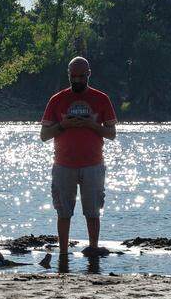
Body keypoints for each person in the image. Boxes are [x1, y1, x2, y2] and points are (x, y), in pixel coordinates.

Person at [39, 57, 117, 255]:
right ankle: (63, 253)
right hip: (63, 165)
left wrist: (91, 125)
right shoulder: (56, 100)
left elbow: (112, 134)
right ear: (68, 75)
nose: (77, 80)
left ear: (88, 74)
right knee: (63, 212)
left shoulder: (102, 99)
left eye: (81, 76)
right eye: (73, 76)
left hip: (93, 164)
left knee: (93, 212)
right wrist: (64, 125)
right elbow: (44, 136)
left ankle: (93, 248)